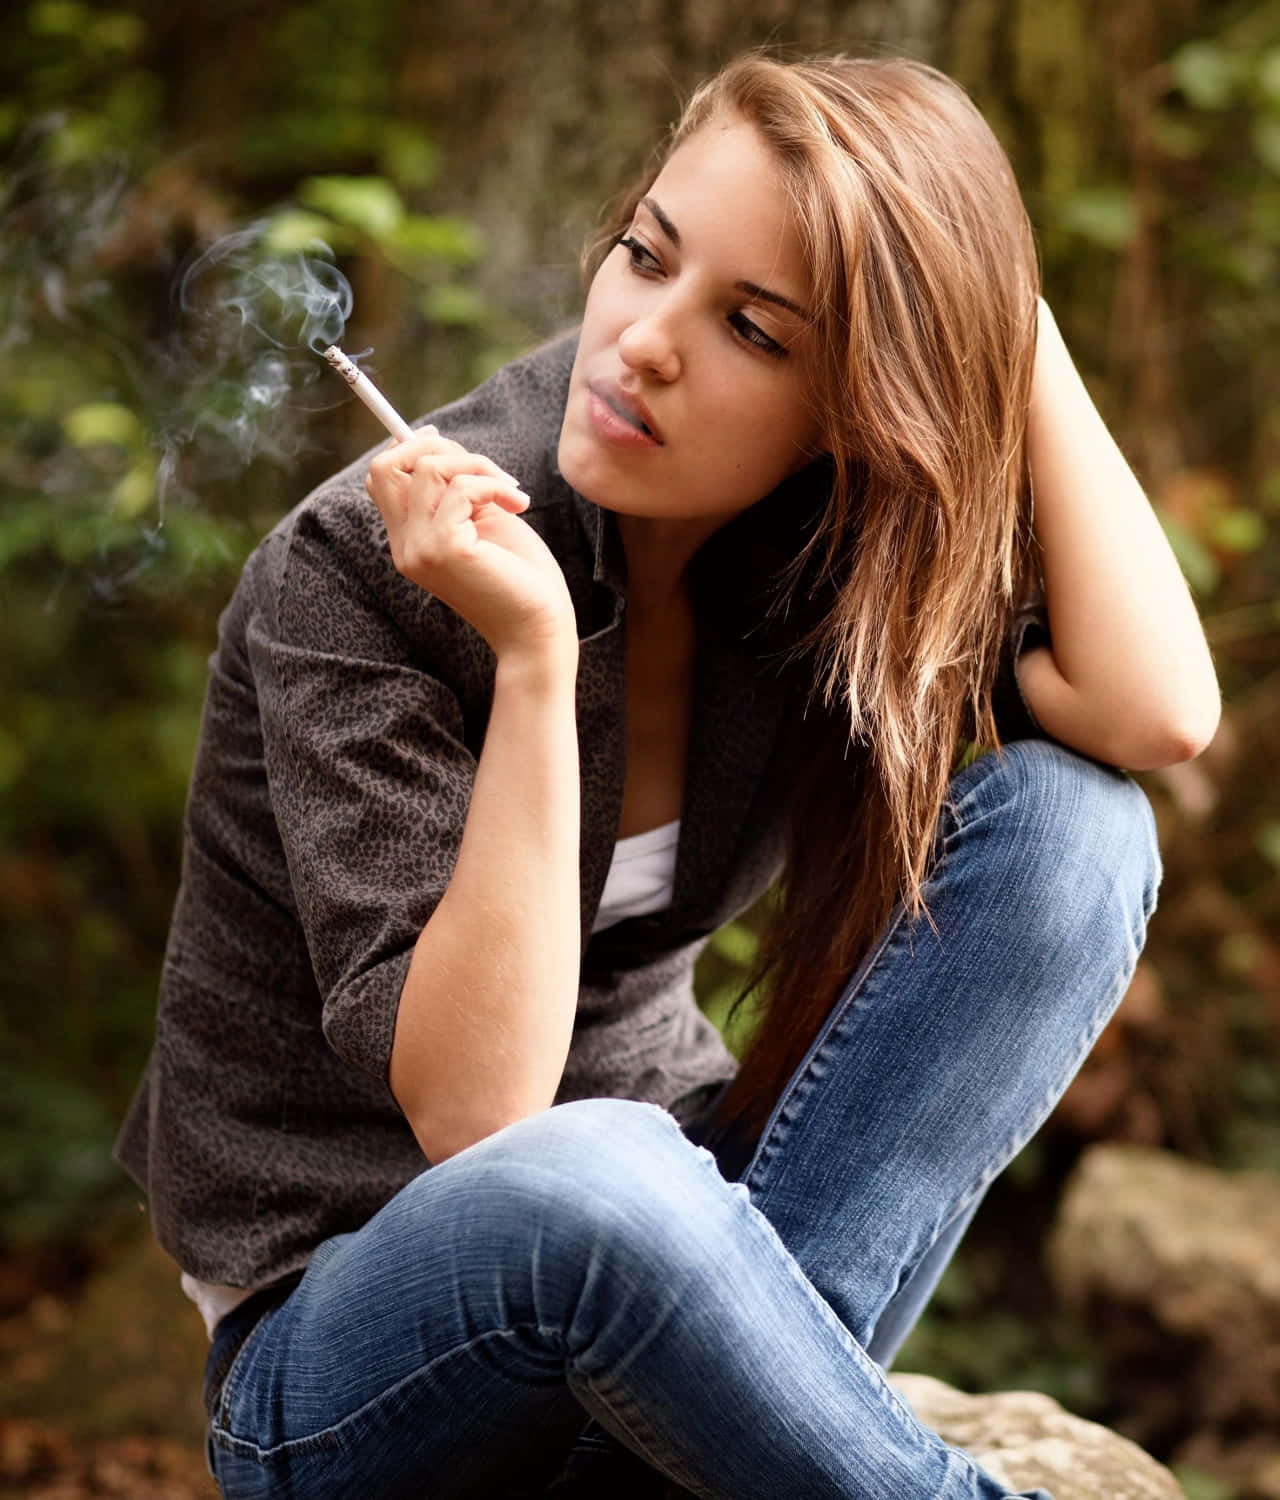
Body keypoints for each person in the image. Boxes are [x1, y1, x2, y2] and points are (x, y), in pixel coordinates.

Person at [112, 48, 1217, 1500]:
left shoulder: (812, 548)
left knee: (1073, 829)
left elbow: (1154, 713)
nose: (640, 341)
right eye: (645, 256)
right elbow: (487, 1124)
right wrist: (533, 659)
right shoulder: (359, 574)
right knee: (602, 1175)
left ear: (856, 398)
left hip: (671, 1286)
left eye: (754, 329)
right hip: (349, 1365)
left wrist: (1001, 319)